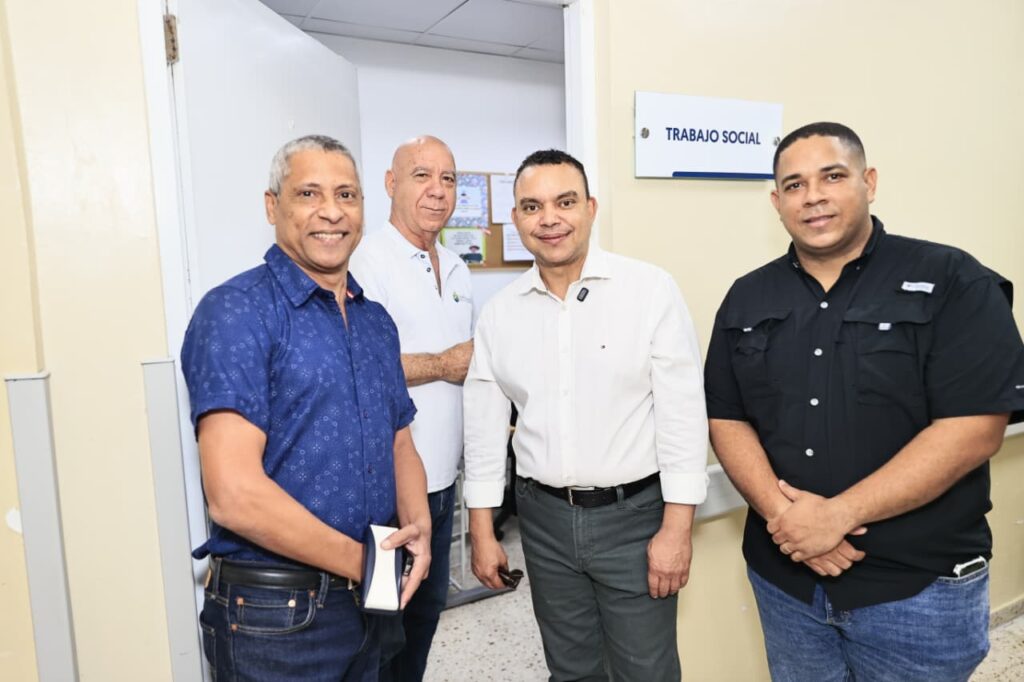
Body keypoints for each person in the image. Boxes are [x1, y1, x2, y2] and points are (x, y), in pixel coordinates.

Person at [704, 121, 1024, 682]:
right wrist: (788, 520)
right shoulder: (747, 296)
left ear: (869, 182)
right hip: (788, 584)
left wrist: (837, 517)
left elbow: (975, 427)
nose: (813, 196)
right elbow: (726, 417)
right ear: (777, 202)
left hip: (918, 588)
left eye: (832, 176)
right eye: (795, 185)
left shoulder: (952, 279)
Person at [180, 134, 432, 681]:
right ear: (273, 206)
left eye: (346, 194)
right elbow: (233, 495)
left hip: (370, 603)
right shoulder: (237, 313)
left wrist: (419, 528)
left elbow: (400, 442)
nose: (332, 212)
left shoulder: (375, 322)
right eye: (309, 193)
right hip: (277, 617)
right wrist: (365, 563)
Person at [463, 149, 709, 681]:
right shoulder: (500, 313)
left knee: (646, 671)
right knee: (571, 669)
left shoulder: (649, 291)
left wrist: (677, 529)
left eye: (565, 202)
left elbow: (683, 417)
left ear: (591, 208)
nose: (549, 219)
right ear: (516, 218)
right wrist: (482, 531)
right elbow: (483, 429)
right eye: (532, 206)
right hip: (543, 521)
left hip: (635, 518)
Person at [349, 135, 473, 681]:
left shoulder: (458, 267)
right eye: (422, 175)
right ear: (390, 183)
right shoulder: (365, 262)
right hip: (387, 492)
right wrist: (444, 363)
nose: (437, 191)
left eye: (448, 179)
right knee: (382, 632)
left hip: (443, 486)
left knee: (423, 620)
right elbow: (357, 366)